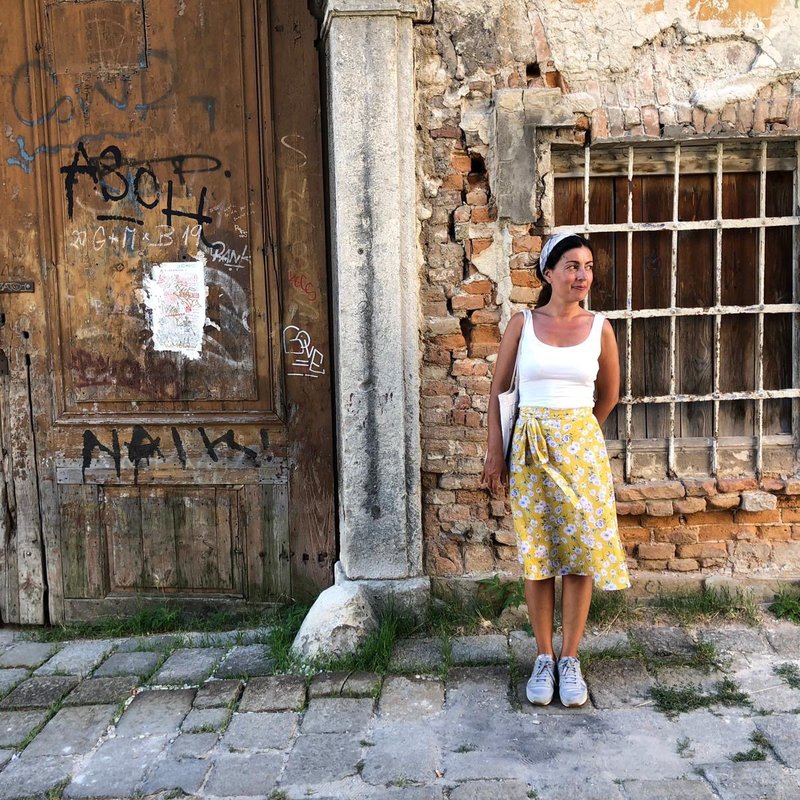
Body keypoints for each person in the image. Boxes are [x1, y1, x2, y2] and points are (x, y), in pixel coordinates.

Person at [481, 231, 630, 708]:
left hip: (582, 456)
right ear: (548, 273)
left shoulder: (600, 327)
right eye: (571, 266)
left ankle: (570, 658)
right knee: (539, 553)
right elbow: (499, 390)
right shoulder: (522, 324)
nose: (582, 275)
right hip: (529, 452)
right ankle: (543, 656)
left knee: (581, 554)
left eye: (588, 266)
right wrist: (495, 451)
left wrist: (578, 433)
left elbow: (609, 394)